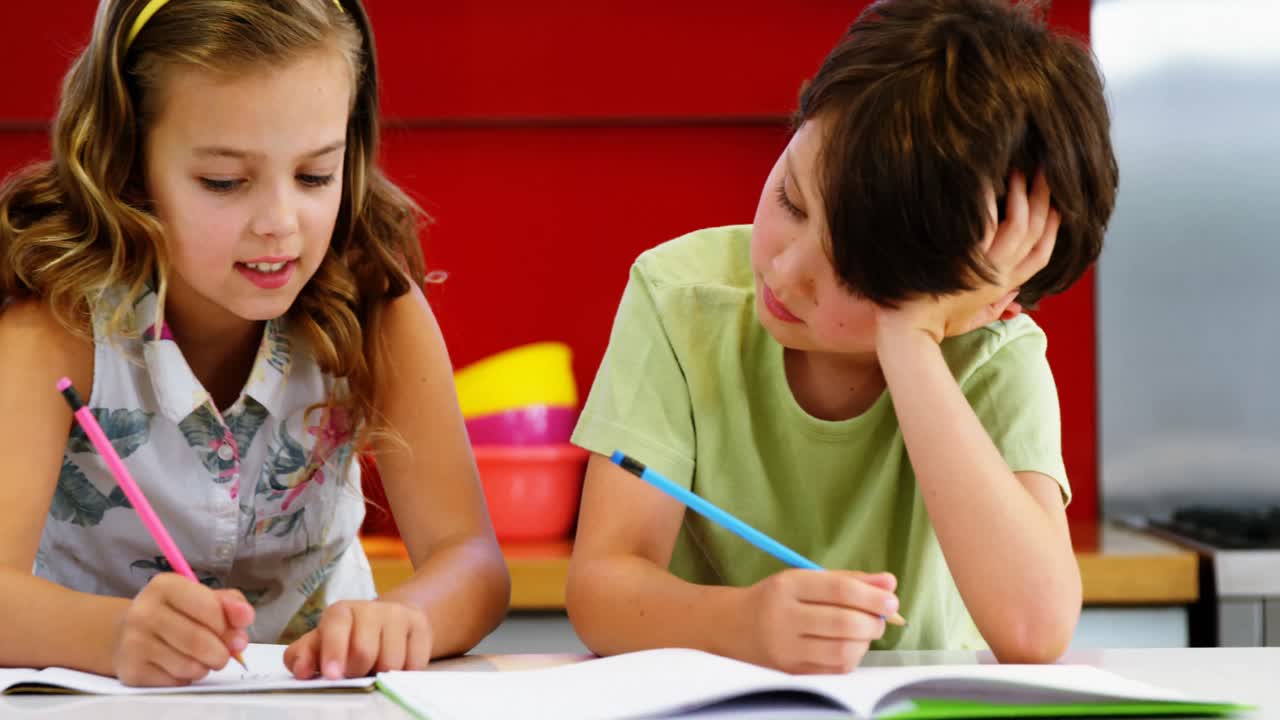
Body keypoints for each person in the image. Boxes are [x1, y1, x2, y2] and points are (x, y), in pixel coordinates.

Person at [566, 0, 1117, 673]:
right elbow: (599, 588)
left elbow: (1033, 631)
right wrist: (743, 623)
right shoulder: (680, 299)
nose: (787, 270)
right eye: (791, 200)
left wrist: (910, 340)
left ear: (984, 301)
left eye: (859, 273)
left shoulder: (994, 360)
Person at [0, 0, 509, 686]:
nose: (278, 223)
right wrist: (115, 633)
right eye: (224, 182)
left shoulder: (376, 307)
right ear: (128, 163)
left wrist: (408, 616)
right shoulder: (55, 327)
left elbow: (472, 561)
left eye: (314, 176)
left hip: (328, 698)